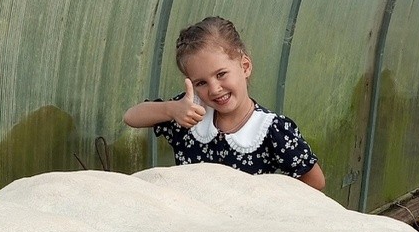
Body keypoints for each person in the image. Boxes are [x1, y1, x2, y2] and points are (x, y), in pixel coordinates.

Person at [123, 16, 326, 191]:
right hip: (189, 226)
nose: (214, 89)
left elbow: (315, 181)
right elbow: (131, 117)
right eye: (201, 82)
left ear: (245, 66)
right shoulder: (191, 113)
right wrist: (171, 109)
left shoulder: (271, 130)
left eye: (221, 74)